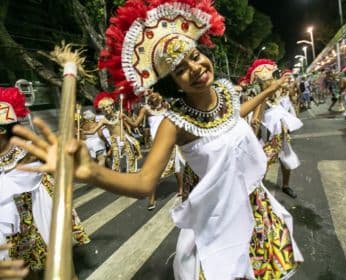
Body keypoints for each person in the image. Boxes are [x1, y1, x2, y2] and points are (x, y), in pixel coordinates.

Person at [11, 0, 303, 279]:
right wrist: (91, 172)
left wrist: (268, 91)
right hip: (219, 219)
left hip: (257, 206)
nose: (196, 68)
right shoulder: (173, 123)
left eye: (194, 55)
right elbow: (144, 183)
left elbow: (234, 116)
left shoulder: (226, 92)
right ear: (171, 83)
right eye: (180, 69)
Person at [0, 87, 89, 276]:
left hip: (40, 209)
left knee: (61, 266)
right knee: (24, 271)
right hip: (13, 225)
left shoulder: (27, 150)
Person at [241, 59, 303, 199]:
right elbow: (256, 119)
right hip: (266, 138)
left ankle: (286, 186)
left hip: (281, 135)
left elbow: (284, 103)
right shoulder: (257, 96)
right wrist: (263, 96)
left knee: (287, 160)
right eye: (271, 77)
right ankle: (256, 194)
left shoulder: (277, 91)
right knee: (261, 166)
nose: (275, 79)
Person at [125, 91, 185, 210]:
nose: (151, 95)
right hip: (156, 143)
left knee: (176, 167)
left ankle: (181, 189)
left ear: (160, 95)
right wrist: (125, 118)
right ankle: (151, 197)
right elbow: (135, 124)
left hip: (170, 140)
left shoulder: (168, 106)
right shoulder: (145, 109)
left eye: (154, 93)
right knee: (154, 170)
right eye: (149, 94)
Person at [92, 92, 142, 172]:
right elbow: (95, 131)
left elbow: (133, 124)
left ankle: (131, 173)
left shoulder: (120, 114)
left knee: (131, 156)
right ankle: (115, 175)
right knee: (116, 159)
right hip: (113, 140)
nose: (106, 109)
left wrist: (128, 121)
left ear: (112, 106)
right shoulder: (103, 119)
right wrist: (84, 131)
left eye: (107, 107)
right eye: (104, 108)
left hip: (123, 137)